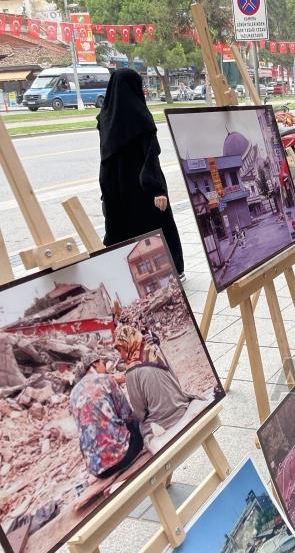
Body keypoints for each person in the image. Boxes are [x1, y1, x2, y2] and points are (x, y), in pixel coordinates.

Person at [97, 68, 184, 277]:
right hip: (143, 189)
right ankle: (172, 271)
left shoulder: (105, 119)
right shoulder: (141, 117)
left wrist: (106, 193)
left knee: (122, 230)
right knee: (158, 230)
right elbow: (150, 156)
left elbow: (105, 160)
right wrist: (158, 190)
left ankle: (125, 274)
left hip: (116, 188)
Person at [113, 324, 193, 448]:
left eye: (121, 350)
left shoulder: (131, 372)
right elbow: (175, 380)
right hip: (181, 406)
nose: (120, 356)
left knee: (134, 424)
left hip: (162, 423)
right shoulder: (156, 350)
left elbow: (140, 413)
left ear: (128, 345)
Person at [70, 352, 144, 479]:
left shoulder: (72, 395)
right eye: (103, 363)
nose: (105, 367)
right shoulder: (106, 379)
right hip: (122, 456)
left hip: (97, 470)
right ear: (94, 364)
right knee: (140, 420)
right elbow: (127, 415)